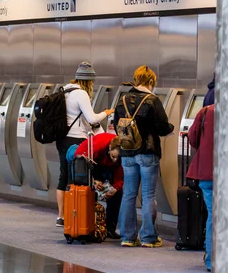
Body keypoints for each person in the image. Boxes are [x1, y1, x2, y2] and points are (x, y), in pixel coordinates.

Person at [114, 65, 174, 248]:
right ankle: (148, 238)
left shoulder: (122, 99)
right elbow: (163, 126)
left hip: (127, 153)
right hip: (147, 153)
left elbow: (116, 124)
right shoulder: (152, 100)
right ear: (150, 82)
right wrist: (170, 129)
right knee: (148, 195)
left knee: (129, 195)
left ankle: (127, 237)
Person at [55, 62, 113, 227]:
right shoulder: (81, 94)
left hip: (62, 139)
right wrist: (106, 113)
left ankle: (62, 216)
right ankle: (77, 214)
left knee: (64, 176)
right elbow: (92, 118)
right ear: (88, 81)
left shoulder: (65, 90)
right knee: (80, 178)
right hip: (77, 141)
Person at [74, 133, 124, 239]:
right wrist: (93, 181)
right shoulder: (97, 146)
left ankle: (109, 229)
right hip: (90, 162)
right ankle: (88, 226)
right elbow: (81, 164)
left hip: (106, 165)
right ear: (110, 148)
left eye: (117, 158)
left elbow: (120, 176)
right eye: (113, 156)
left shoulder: (120, 157)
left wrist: (115, 188)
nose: (115, 160)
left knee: (117, 195)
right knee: (88, 192)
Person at [187, 104, 214, 272]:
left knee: (213, 215)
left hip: (206, 172)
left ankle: (212, 260)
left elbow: (193, 137)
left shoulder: (205, 111)